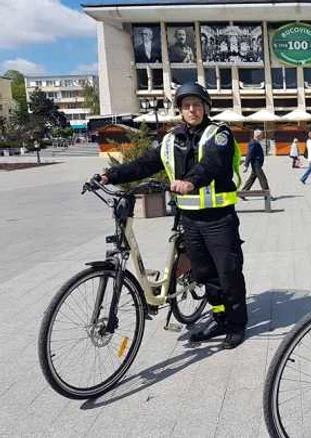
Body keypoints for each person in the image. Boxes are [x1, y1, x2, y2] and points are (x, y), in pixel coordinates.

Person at [96, 82, 247, 349]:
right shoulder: (170, 140)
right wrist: (111, 175)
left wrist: (190, 182)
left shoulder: (218, 134)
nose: (192, 110)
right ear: (180, 110)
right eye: (187, 106)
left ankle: (236, 324)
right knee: (205, 273)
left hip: (218, 219)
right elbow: (144, 164)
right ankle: (220, 317)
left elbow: (212, 163)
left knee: (228, 272)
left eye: (197, 105)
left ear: (206, 108)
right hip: (189, 219)